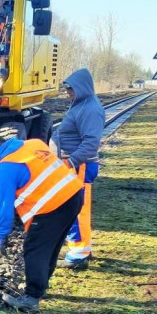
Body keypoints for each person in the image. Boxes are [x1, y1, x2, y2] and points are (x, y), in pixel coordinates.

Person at [0, 134, 84, 312]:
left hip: (52, 207)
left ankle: (31, 299)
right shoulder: (34, 143)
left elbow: (4, 206)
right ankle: (41, 287)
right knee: (51, 246)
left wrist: (2, 236)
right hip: (74, 196)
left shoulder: (5, 168)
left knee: (34, 250)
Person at [51, 68, 105, 270]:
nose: (68, 93)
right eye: (67, 89)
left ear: (81, 88)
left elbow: (91, 143)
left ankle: (78, 256)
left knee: (78, 210)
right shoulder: (81, 105)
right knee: (74, 208)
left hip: (79, 167)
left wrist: (70, 162)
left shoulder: (90, 109)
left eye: (71, 89)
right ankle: (80, 248)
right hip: (75, 166)